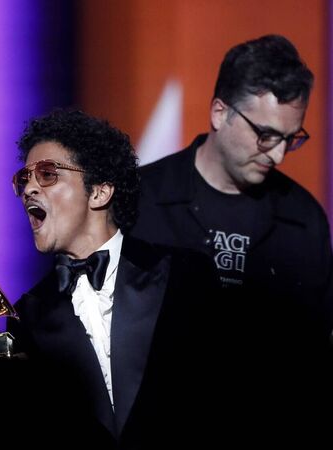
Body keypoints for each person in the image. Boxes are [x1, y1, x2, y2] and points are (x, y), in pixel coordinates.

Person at [0, 109, 224, 449]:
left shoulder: (185, 274)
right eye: (24, 179)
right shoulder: (26, 316)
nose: (29, 188)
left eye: (47, 174)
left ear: (100, 192)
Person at [129, 35, 333, 446]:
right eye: (266, 135)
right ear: (220, 113)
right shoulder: (139, 201)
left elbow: (315, 359)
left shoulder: (304, 219)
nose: (277, 155)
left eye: (291, 138)